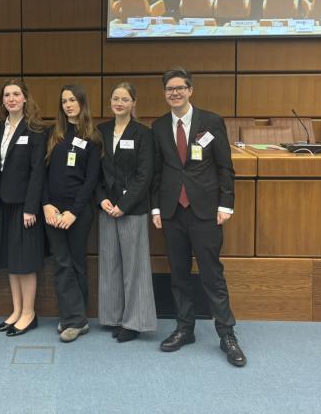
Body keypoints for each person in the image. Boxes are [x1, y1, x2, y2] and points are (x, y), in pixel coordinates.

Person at [151, 68, 245, 367]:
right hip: (172, 212)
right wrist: (156, 208)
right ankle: (185, 328)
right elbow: (157, 171)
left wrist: (226, 204)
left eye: (180, 88)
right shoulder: (159, 126)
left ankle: (227, 334)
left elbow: (225, 167)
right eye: (170, 89)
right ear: (165, 93)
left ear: (190, 90)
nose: (175, 93)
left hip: (205, 211)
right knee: (179, 274)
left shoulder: (211, 121)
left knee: (211, 274)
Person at [96, 82, 157, 343]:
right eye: (115, 98)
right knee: (109, 265)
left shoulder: (143, 133)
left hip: (132, 209)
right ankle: (113, 317)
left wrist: (124, 205)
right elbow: (94, 172)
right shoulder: (101, 131)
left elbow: (145, 175)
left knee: (134, 267)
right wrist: (102, 200)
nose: (119, 103)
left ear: (133, 103)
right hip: (107, 208)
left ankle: (134, 322)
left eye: (124, 99)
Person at [42, 85, 102, 343]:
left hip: (78, 212)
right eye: (64, 100)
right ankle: (73, 317)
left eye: (73, 100)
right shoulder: (52, 133)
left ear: (82, 103)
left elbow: (91, 180)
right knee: (61, 263)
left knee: (76, 263)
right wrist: (46, 205)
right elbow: (41, 173)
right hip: (52, 211)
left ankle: (76, 319)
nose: (68, 105)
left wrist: (73, 212)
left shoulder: (93, 137)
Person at [0, 79, 46, 337]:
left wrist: (31, 208)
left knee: (25, 262)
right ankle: (17, 310)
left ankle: (29, 313)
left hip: (25, 207)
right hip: (3, 204)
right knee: (11, 261)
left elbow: (38, 172)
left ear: (25, 98)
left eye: (16, 94)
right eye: (7, 95)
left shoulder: (35, 130)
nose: (11, 99)